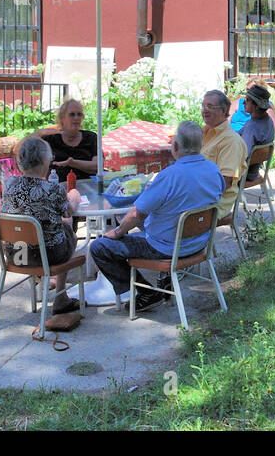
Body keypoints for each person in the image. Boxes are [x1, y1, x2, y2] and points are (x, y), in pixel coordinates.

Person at [89, 120, 224, 313]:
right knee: (157, 217)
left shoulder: (170, 176)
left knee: (100, 246)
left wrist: (117, 232)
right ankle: (164, 282)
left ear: (175, 146)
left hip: (167, 247)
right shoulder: (213, 170)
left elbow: (137, 213)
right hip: (200, 243)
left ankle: (146, 293)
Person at [0, 136, 83, 297]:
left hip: (16, 254)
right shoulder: (53, 189)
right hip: (46, 257)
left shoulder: (9, 184)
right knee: (67, 227)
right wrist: (74, 195)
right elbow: (68, 211)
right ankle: (61, 296)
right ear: (45, 161)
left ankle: (49, 288)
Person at [199, 89, 247, 219]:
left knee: (149, 207)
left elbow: (225, 183)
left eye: (210, 106)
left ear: (224, 110)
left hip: (211, 204)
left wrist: (189, 192)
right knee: (142, 199)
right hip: (196, 195)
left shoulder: (231, 142)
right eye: (203, 106)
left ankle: (156, 238)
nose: (205, 110)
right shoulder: (204, 133)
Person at [40, 99, 98, 180]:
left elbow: (98, 166)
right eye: (72, 114)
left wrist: (73, 163)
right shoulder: (50, 139)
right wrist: (37, 133)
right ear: (62, 118)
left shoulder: (91, 137)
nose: (76, 117)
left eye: (79, 114)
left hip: (87, 187)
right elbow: (23, 154)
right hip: (57, 188)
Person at [238, 83, 275, 182]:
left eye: (247, 100)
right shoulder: (268, 121)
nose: (243, 103)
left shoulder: (252, 127)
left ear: (256, 106)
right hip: (254, 172)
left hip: (243, 175)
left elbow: (242, 155)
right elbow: (237, 134)